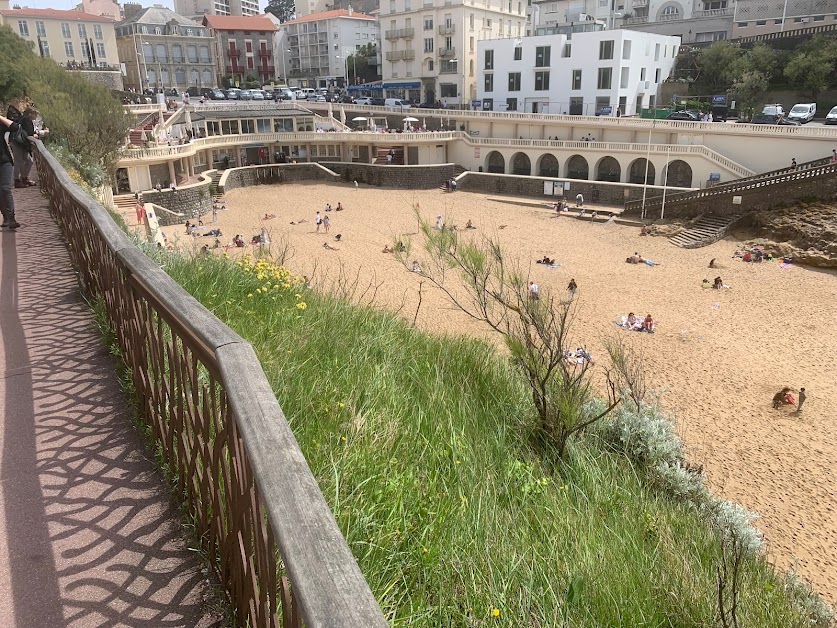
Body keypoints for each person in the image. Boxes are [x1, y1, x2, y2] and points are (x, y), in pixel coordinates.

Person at [11, 107, 47, 188]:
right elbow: (30, 133)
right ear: (30, 114)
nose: (36, 116)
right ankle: (17, 180)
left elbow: (30, 132)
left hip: (21, 143)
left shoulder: (25, 119)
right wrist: (42, 133)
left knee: (29, 161)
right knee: (18, 161)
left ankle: (24, 178)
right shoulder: (26, 120)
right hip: (17, 143)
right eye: (35, 114)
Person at [0, 110, 22, 229]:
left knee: (5, 188)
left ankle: (11, 218)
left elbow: (15, 127)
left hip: (4, 161)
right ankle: (6, 216)